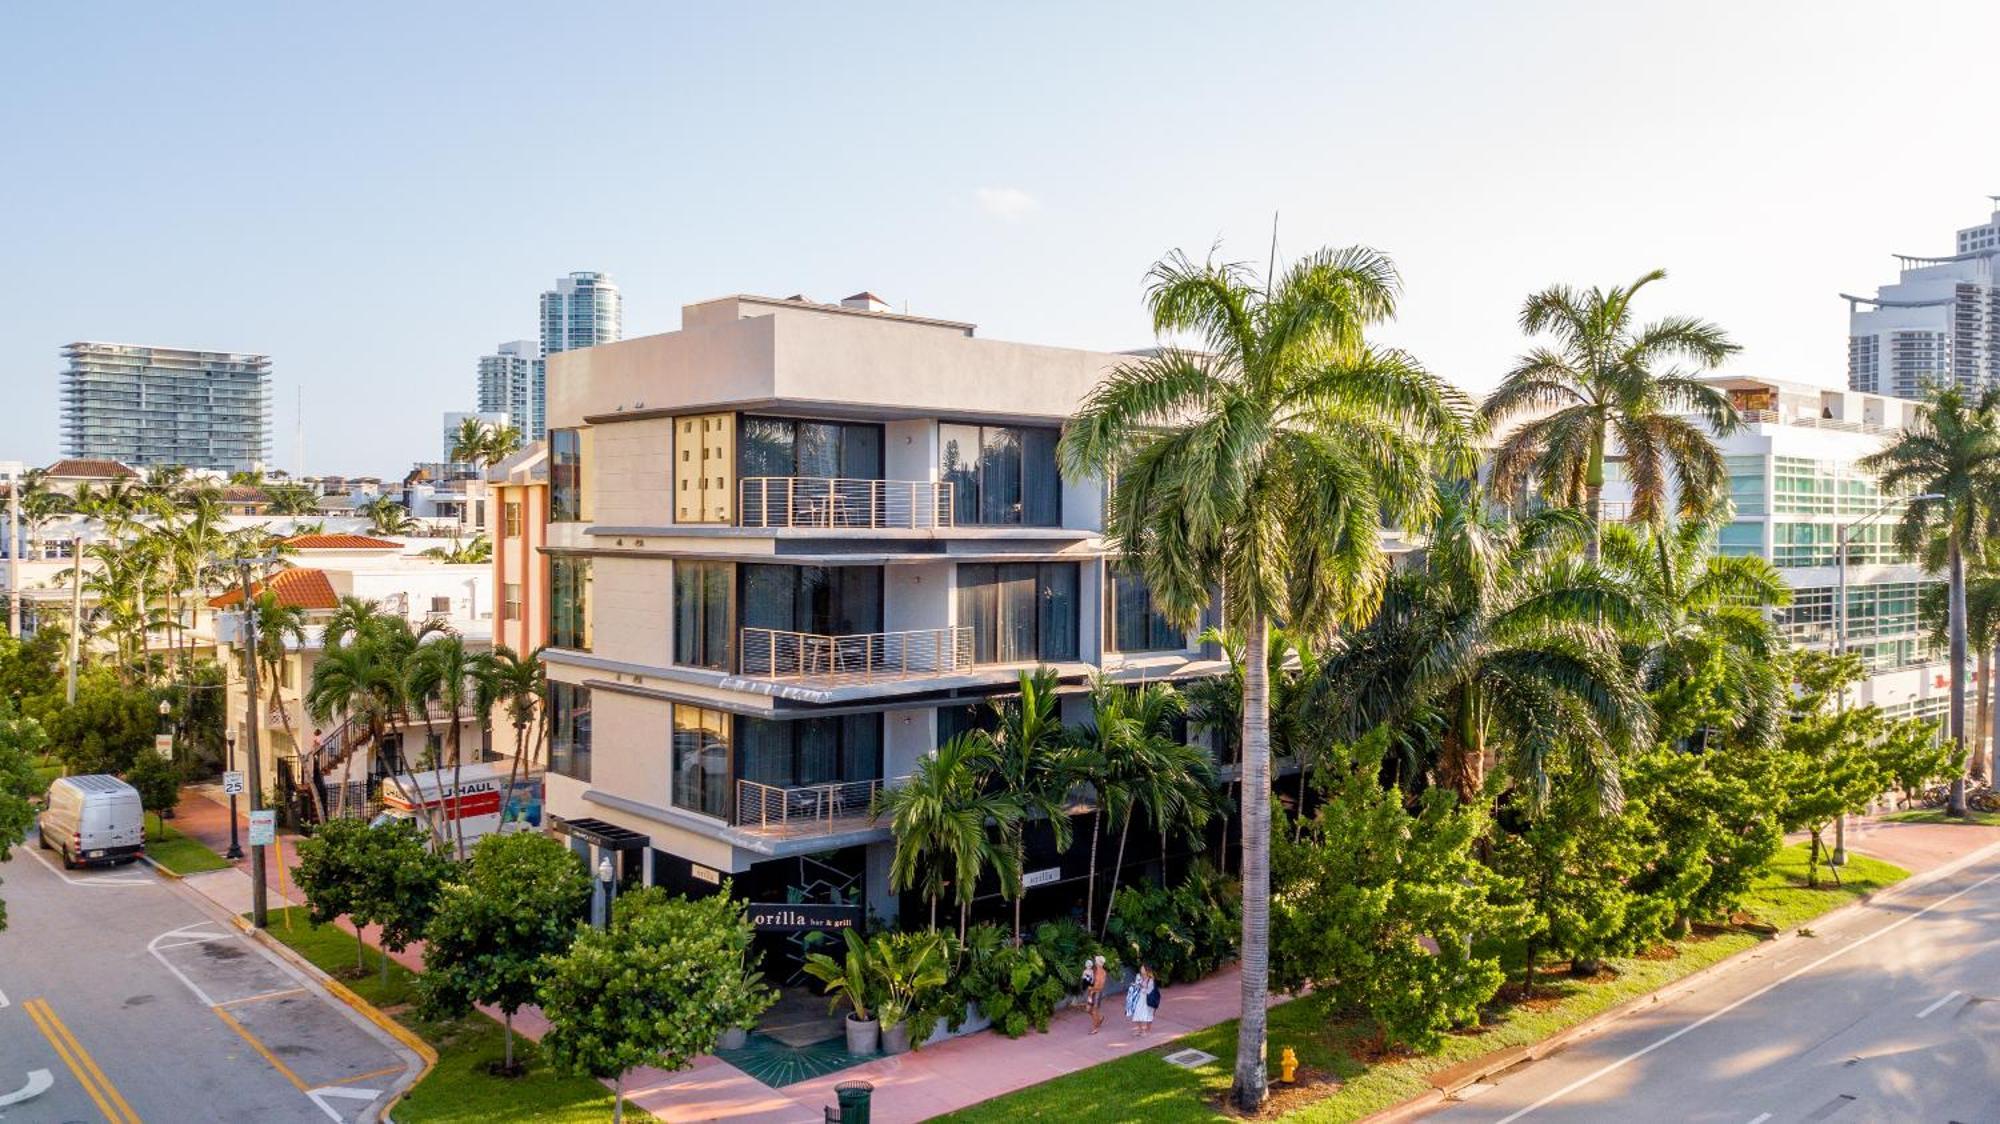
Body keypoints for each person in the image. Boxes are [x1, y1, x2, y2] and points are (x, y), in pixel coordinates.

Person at [1125, 963, 1158, 1036]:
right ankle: (1140, 1029)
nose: (1141, 969)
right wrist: (1135, 985)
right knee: (1137, 1013)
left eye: (1143, 968)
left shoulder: (1150, 979)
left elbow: (1149, 991)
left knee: (1146, 1014)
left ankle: (1146, 1031)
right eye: (1141, 968)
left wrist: (1142, 988)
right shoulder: (1138, 976)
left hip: (1147, 999)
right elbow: (1137, 985)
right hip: (1139, 998)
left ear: (1147, 970)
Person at [1085, 955, 1109, 1033]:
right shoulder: (1094, 970)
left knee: (1094, 1010)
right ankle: (1099, 1018)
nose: (1095, 962)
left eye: (1096, 961)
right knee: (1088, 1009)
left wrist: (1091, 988)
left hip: (1097, 993)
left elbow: (1100, 986)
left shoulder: (1103, 973)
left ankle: (1095, 1028)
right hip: (1091, 992)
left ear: (1099, 963)